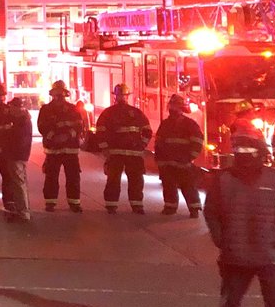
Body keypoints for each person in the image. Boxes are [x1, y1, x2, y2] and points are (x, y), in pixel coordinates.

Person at [203, 133, 275, 307]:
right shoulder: (225, 179)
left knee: (272, 306)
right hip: (245, 254)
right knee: (266, 306)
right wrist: (223, 240)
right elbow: (212, 212)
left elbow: (210, 213)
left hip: (264, 254)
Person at [95, 83, 152, 214]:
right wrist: (105, 149)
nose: (121, 97)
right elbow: (100, 131)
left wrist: (142, 145)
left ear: (126, 96)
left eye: (123, 95)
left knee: (136, 180)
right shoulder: (109, 113)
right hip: (117, 153)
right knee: (114, 180)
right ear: (116, 96)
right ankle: (111, 205)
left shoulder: (135, 112)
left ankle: (136, 205)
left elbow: (147, 131)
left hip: (132, 153)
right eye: (119, 95)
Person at [154, 94, 205, 217]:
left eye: (176, 106)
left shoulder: (190, 124)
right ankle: (170, 207)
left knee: (187, 186)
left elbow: (198, 141)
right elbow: (159, 142)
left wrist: (190, 157)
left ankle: (194, 209)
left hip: (183, 162)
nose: (173, 108)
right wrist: (160, 159)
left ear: (181, 108)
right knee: (168, 185)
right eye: (172, 105)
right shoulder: (165, 124)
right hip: (167, 162)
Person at [37, 81, 84, 212]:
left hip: (71, 149)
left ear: (65, 94)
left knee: (73, 177)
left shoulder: (73, 109)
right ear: (52, 95)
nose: (59, 97)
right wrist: (54, 137)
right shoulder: (45, 109)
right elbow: (42, 127)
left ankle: (74, 203)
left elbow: (79, 126)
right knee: (51, 177)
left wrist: (68, 136)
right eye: (57, 95)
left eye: (61, 95)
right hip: (53, 149)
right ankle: (50, 203)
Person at [1, 97, 32, 222]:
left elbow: (17, 139)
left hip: (16, 156)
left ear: (16, 108)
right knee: (20, 183)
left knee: (19, 184)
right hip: (19, 155)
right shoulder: (23, 119)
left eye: (12, 108)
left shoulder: (21, 121)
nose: (10, 110)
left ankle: (23, 213)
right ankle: (23, 210)